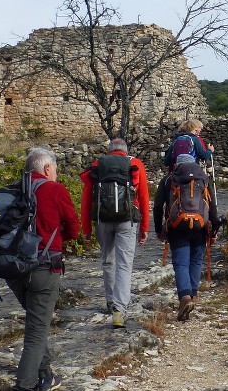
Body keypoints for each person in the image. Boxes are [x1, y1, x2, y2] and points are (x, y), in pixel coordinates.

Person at [6, 146, 80, 391]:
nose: (56, 173)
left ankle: (46, 376)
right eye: (55, 169)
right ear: (47, 168)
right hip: (44, 267)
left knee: (38, 322)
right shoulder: (54, 190)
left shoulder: (11, 190)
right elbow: (72, 226)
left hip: (13, 271)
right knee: (36, 334)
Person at [80, 137, 150, 329]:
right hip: (127, 221)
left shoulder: (97, 165)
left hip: (103, 221)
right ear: (125, 151)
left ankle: (111, 301)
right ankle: (119, 309)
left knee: (107, 260)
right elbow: (143, 197)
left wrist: (86, 228)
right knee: (124, 264)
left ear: (109, 151)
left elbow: (87, 199)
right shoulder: (135, 164)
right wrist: (144, 227)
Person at [154, 153, 220, 321]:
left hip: (177, 227)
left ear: (177, 164)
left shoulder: (169, 180)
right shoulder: (204, 179)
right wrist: (213, 233)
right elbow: (213, 208)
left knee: (181, 263)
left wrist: (158, 230)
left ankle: (185, 297)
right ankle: (192, 294)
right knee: (196, 261)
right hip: (200, 227)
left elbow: (157, 206)